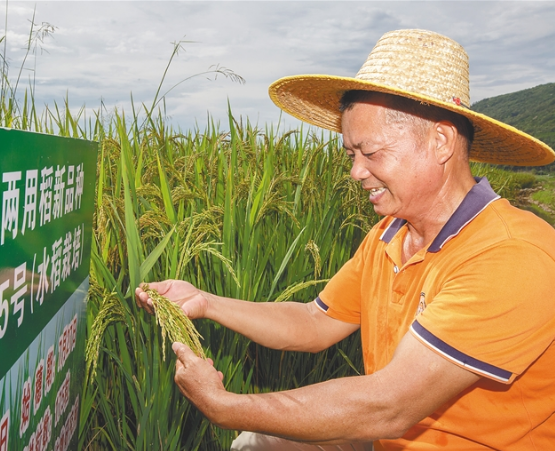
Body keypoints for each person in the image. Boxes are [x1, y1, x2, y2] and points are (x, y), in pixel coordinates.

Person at [135, 29, 555, 450]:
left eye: (370, 153)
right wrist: (206, 302)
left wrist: (227, 406)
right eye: (351, 155)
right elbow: (315, 322)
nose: (356, 173)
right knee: (255, 443)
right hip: (389, 438)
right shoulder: (388, 236)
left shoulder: (512, 254)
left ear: (440, 141)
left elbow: (389, 405)